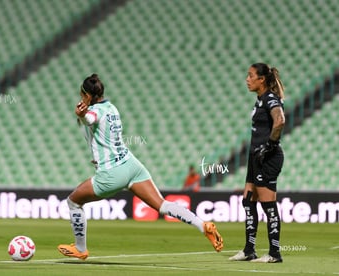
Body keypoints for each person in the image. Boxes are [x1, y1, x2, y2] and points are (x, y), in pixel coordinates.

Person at [58, 74, 223, 260]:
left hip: (112, 172)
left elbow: (90, 118)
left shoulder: (95, 111)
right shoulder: (112, 108)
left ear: (87, 96)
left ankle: (80, 248)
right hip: (131, 165)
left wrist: (81, 114)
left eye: (82, 95)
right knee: (162, 205)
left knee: (74, 201)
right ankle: (203, 226)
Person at [229, 63, 285, 263]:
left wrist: (270, 145)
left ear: (261, 79)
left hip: (268, 158)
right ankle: (248, 250)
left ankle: (274, 253)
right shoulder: (260, 100)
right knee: (248, 201)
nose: (247, 79)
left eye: (250, 75)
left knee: (268, 205)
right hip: (256, 157)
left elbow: (280, 120)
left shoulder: (270, 98)